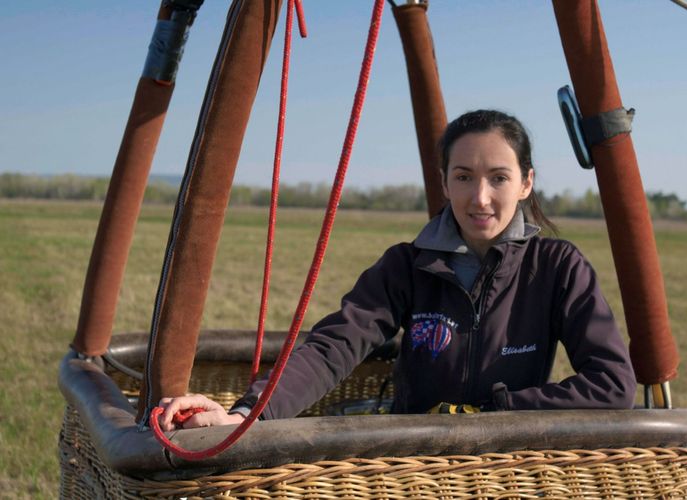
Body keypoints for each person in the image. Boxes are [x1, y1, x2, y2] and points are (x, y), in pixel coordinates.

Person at [157, 109, 636, 432]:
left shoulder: (555, 267)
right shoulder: (408, 266)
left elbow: (612, 384)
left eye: (499, 178)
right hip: (413, 463)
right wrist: (246, 415)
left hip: (506, 464)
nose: (481, 197)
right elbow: (332, 348)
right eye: (464, 177)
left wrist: (501, 410)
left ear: (526, 183)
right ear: (445, 183)